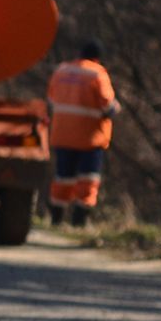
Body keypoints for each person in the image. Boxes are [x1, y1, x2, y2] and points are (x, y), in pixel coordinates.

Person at [47, 40, 121, 226]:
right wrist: (115, 108)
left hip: (62, 134)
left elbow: (51, 99)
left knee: (63, 177)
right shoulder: (97, 73)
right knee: (88, 179)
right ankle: (79, 221)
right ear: (97, 57)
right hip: (90, 138)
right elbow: (107, 105)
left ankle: (56, 218)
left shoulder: (61, 71)